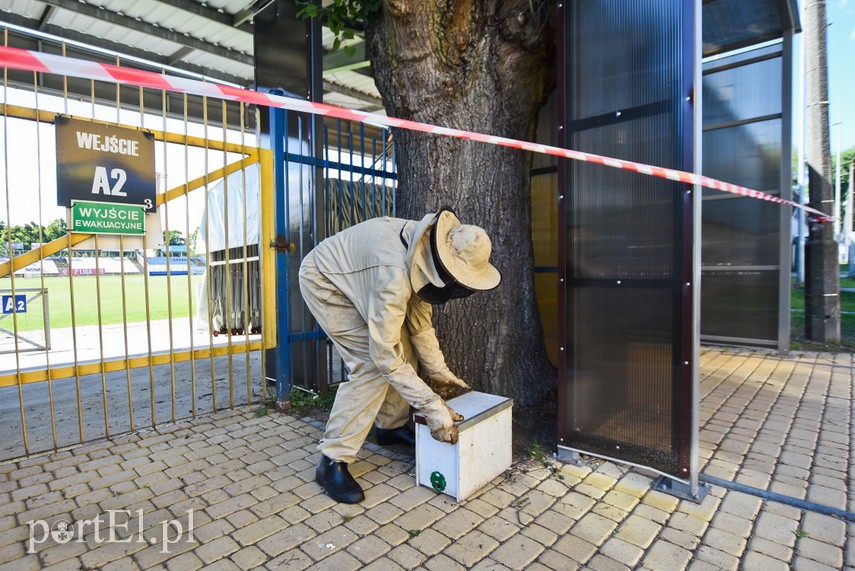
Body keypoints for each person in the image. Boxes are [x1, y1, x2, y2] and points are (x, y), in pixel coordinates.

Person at [298, 208, 501, 504]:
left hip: (361, 275)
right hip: (325, 280)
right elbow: (385, 358)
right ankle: (332, 460)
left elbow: (420, 325)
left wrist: (440, 372)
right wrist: (433, 407)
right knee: (370, 365)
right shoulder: (392, 277)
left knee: (402, 348)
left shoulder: (423, 250)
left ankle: (389, 428)